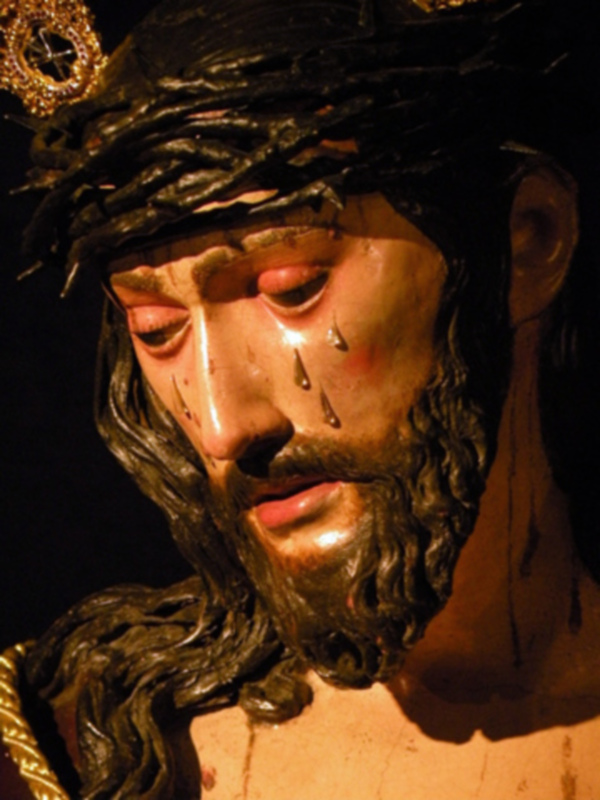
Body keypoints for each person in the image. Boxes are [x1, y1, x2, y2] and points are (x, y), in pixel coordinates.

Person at [1, 0, 598, 797]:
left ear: (525, 239)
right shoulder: (71, 745)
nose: (222, 426)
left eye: (292, 289)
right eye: (155, 328)